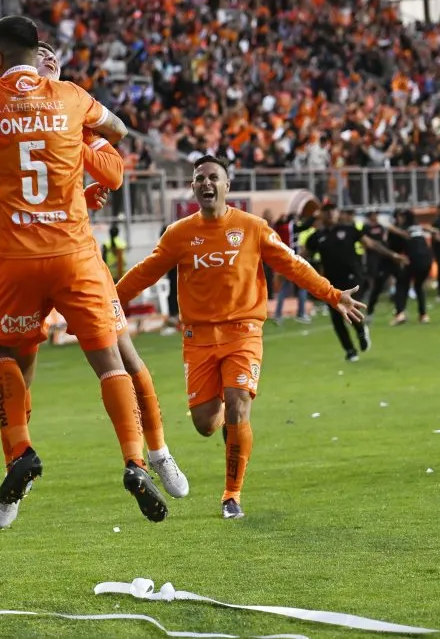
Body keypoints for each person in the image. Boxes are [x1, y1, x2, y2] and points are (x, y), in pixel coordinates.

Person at [0, 16, 170, 525]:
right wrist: (72, 132)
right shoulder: (70, 96)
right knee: (109, 359)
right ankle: (135, 461)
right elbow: (120, 129)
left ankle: (21, 451)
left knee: (3, 353)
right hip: (74, 253)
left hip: (17, 258)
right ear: (34, 54)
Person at [115, 155, 365, 519]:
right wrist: (105, 302)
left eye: (213, 177)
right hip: (197, 339)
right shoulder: (179, 234)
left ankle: (232, 495)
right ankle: (231, 429)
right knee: (205, 424)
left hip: (243, 332)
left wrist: (332, 294)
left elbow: (292, 264)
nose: (206, 183)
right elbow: (143, 274)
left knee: (237, 401)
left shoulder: (252, 227)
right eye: (199, 178)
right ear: (193, 187)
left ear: (227, 185)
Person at [304, 204, 407, 361]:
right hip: (330, 282)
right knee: (336, 317)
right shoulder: (316, 237)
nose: (331, 214)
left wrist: (392, 255)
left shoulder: (349, 230)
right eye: (327, 211)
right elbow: (303, 257)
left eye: (333, 210)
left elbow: (371, 244)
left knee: (349, 308)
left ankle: (360, 330)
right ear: (322, 215)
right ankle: (350, 350)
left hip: (352, 278)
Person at [386, 210, 440, 325]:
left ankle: (400, 314)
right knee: (418, 285)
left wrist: (389, 227)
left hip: (414, 259)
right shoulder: (418, 227)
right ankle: (423, 315)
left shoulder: (403, 229)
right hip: (427, 259)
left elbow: (400, 236)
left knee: (402, 284)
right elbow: (433, 230)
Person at [363, 210, 394, 318]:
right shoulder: (366, 227)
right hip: (372, 255)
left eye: (376, 214)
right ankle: (372, 293)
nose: (375, 216)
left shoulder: (380, 227)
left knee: (388, 273)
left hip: (382, 254)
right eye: (373, 214)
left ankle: (391, 291)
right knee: (372, 275)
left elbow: (384, 239)